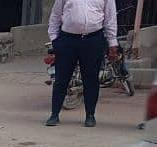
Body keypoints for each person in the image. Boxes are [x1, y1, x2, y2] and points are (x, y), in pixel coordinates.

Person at [46, 0, 118, 128]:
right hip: (67, 40)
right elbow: (55, 16)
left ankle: (90, 115)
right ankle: (54, 114)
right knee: (61, 79)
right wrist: (54, 39)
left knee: (91, 79)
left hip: (93, 40)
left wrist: (112, 42)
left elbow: (110, 18)